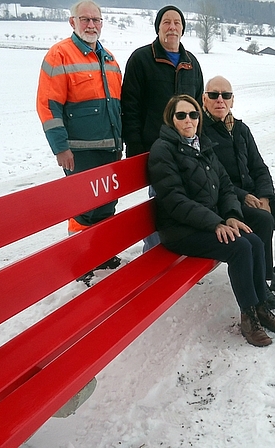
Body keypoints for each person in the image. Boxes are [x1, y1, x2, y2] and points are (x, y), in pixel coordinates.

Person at [148, 95, 275, 347]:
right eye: (181, 115)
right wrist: (216, 223)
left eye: (193, 114)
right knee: (239, 247)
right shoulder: (163, 150)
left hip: (209, 221)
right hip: (180, 229)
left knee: (255, 242)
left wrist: (232, 216)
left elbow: (225, 186)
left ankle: (260, 308)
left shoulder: (202, 144)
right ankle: (248, 318)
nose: (188, 120)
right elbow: (175, 200)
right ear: (171, 119)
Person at [202, 76, 275, 308]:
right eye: (214, 95)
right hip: (226, 203)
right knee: (263, 219)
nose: (220, 100)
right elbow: (214, 179)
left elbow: (260, 167)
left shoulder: (241, 130)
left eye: (226, 95)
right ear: (204, 99)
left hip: (254, 198)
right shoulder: (202, 133)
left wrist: (265, 196)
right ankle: (262, 282)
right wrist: (243, 196)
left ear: (232, 101)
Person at [36, 0, 123, 283]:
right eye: (84, 19)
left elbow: (118, 106)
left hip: (110, 148)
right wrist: (61, 147)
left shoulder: (109, 59)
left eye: (96, 20)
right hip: (79, 152)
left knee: (107, 204)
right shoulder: (59, 55)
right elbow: (48, 106)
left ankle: (103, 252)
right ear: (72, 22)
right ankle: (81, 260)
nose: (91, 25)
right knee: (83, 208)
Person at [121, 5, 204, 251]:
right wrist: (135, 146)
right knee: (161, 200)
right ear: (158, 28)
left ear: (183, 29)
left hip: (188, 147)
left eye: (177, 23)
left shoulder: (191, 63)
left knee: (188, 198)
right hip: (155, 147)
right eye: (166, 22)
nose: (172, 27)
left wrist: (201, 141)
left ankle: (184, 248)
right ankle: (155, 252)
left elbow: (198, 106)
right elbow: (130, 106)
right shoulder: (141, 59)